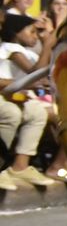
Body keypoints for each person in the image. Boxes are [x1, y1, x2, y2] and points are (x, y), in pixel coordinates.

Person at [0, 13, 54, 190]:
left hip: (15, 95)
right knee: (11, 113)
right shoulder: (10, 48)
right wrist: (47, 45)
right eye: (31, 31)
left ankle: (20, 166)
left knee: (37, 112)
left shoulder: (27, 52)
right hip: (6, 95)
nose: (35, 35)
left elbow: (41, 74)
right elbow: (34, 73)